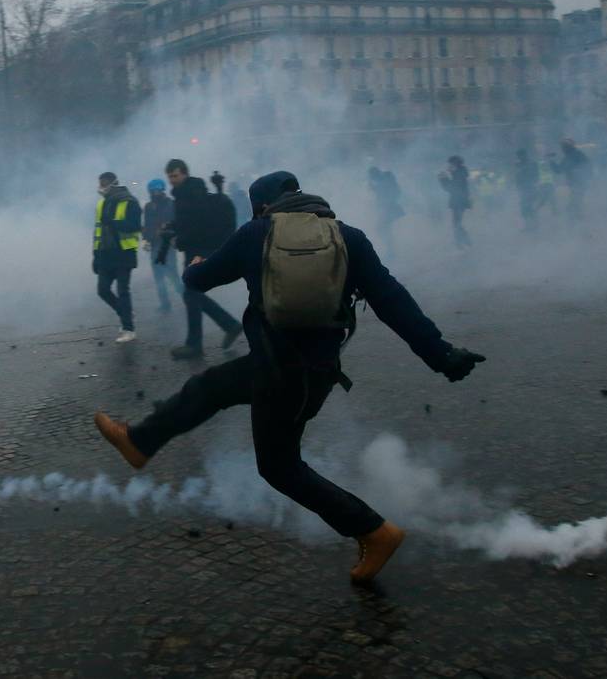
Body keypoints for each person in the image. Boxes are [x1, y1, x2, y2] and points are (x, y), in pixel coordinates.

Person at [94, 171, 485, 583]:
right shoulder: (347, 237)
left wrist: (193, 264)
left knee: (279, 467)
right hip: (311, 374)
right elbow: (393, 302)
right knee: (209, 388)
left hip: (277, 373)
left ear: (261, 205)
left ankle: (374, 531)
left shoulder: (255, 233)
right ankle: (139, 440)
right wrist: (441, 355)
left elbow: (199, 281)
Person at [163, 158, 241, 359]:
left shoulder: (191, 194)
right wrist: (172, 226)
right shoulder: (185, 194)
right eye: (170, 176)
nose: (172, 180)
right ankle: (227, 326)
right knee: (192, 294)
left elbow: (197, 226)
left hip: (199, 250)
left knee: (191, 294)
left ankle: (197, 344)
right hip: (195, 249)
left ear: (184, 174)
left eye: (175, 175)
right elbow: (187, 222)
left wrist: (178, 240)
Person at [93, 172, 142, 342]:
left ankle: (128, 329)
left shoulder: (130, 202)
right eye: (100, 183)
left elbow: (135, 226)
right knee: (103, 290)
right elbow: (98, 232)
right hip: (105, 255)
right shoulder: (101, 204)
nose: (101, 187)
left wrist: (114, 222)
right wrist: (95, 255)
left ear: (114, 183)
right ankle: (125, 312)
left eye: (104, 183)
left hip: (124, 253)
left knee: (123, 291)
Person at [142, 178, 180, 313]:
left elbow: (175, 223)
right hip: (154, 245)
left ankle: (187, 298)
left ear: (162, 190)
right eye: (152, 191)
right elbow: (147, 225)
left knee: (173, 275)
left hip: (167, 245)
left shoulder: (171, 204)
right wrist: (146, 239)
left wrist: (166, 231)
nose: (154, 193)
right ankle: (165, 304)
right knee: (158, 277)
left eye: (156, 190)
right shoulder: (148, 206)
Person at [367, 166, 406, 256]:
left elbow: (389, 193)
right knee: (384, 229)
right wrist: (374, 188)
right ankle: (391, 249)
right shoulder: (383, 180)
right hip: (387, 208)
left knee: (382, 228)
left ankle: (391, 250)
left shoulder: (385, 179)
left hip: (389, 208)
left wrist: (375, 188)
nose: (372, 179)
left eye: (372, 177)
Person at [438, 156, 472, 248]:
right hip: (459, 201)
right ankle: (462, 241)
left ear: (455, 164)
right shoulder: (459, 172)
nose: (449, 166)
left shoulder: (459, 173)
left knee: (456, 223)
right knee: (456, 223)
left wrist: (443, 179)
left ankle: (462, 241)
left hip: (459, 201)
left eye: (450, 164)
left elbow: (451, 188)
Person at [553, 138, 591, 220]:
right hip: (577, 182)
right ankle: (576, 216)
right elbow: (559, 170)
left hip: (578, 182)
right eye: (562, 147)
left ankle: (576, 217)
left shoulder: (572, 156)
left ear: (567, 147)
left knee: (575, 200)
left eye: (563, 147)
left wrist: (551, 163)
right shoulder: (575, 155)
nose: (562, 149)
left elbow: (559, 170)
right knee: (576, 199)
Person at [514, 150, 540, 233]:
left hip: (529, 188)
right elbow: (517, 178)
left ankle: (533, 225)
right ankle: (530, 225)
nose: (519, 158)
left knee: (527, 207)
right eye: (518, 156)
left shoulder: (530, 164)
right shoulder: (520, 165)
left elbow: (536, 176)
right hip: (524, 189)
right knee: (525, 208)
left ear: (524, 155)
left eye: (520, 156)